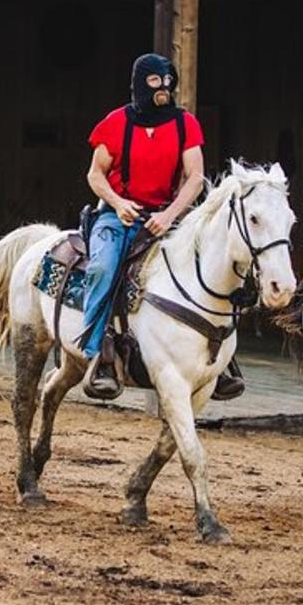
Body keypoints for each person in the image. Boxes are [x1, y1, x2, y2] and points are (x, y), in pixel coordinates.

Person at [81, 52, 235, 400]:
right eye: (155, 81)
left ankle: (223, 361)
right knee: (103, 268)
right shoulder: (116, 122)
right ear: (139, 82)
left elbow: (195, 177)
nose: (164, 88)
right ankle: (97, 353)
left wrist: (170, 216)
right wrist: (119, 204)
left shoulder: (185, 124)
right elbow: (95, 174)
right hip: (118, 214)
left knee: (211, 267)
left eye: (168, 81)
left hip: (166, 215)